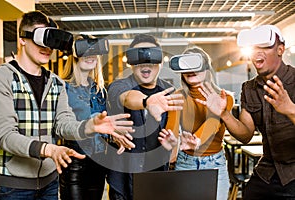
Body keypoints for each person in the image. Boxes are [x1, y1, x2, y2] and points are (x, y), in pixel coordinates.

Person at [0, 11, 134, 200]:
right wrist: (49, 149)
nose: (47, 48)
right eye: (41, 40)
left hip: (49, 183)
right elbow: (4, 135)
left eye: (51, 42)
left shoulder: (55, 82)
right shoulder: (3, 77)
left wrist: (89, 126)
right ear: (22, 39)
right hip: (12, 186)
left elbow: (63, 124)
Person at [199, 25, 295, 199]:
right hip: (266, 172)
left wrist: (290, 110)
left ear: (280, 50)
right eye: (254, 48)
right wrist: (224, 114)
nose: (257, 52)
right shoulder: (249, 88)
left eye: (264, 47)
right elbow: (245, 135)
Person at [106, 33, 183, 200]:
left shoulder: (169, 92)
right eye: (138, 57)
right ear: (131, 63)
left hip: (157, 178)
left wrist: (172, 145)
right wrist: (147, 101)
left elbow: (173, 148)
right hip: (124, 180)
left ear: (161, 62)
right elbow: (127, 97)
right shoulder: (118, 86)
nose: (145, 63)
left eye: (151, 56)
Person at [161, 46, 234, 200]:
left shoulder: (224, 97)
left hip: (215, 164)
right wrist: (171, 140)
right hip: (185, 162)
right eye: (186, 66)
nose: (191, 70)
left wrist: (198, 140)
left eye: (195, 64)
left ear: (207, 69)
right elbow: (172, 128)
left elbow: (213, 122)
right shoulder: (178, 96)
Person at [59, 34, 125, 200]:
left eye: (94, 51)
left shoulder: (100, 90)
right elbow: (61, 126)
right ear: (74, 54)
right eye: (84, 50)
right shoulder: (63, 88)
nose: (90, 55)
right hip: (74, 163)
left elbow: (104, 123)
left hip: (98, 162)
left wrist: (114, 136)